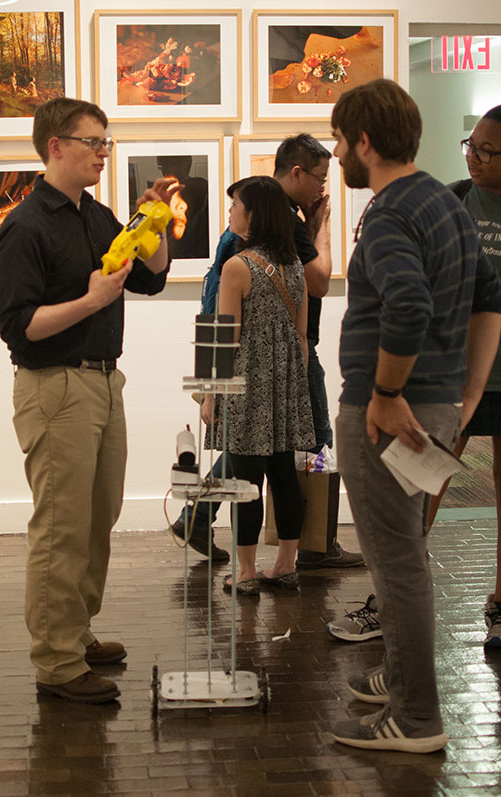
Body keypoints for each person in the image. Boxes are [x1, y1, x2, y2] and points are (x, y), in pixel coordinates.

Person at [328, 78, 501, 753]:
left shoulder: (392, 211)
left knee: (395, 562)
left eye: (340, 138)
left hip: (388, 412)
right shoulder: (443, 200)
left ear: (365, 142)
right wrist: (467, 395)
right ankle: (402, 679)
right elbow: (491, 297)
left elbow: (407, 304)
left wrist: (384, 391)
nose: (336, 150)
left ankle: (416, 717)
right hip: (430, 402)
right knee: (407, 556)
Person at [0, 98, 180, 704]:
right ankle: (56, 661)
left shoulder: (96, 216)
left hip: (104, 381)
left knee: (99, 515)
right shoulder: (26, 227)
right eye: (93, 142)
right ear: (56, 146)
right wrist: (92, 302)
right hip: (56, 387)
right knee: (60, 526)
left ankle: (76, 631)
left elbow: (149, 276)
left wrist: (153, 218)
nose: (104, 152)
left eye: (106, 142)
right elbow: (20, 327)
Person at [171, 134, 364, 569]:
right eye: (319, 176)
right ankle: (308, 548)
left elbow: (219, 324)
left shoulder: (250, 245)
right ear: (296, 173)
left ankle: (238, 546)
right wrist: (323, 228)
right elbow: (318, 284)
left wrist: (211, 386)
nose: (322, 187)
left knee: (253, 462)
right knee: (297, 454)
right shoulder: (283, 232)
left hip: (249, 371)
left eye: (233, 209)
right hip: (279, 369)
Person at [200, 176, 315, 594]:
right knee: (284, 476)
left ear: (253, 214)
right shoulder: (295, 266)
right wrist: (293, 387)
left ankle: (246, 570)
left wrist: (211, 392)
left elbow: (223, 336)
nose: (230, 212)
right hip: (284, 386)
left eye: (235, 206)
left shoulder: (237, 266)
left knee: (245, 480)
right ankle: (286, 563)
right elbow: (301, 337)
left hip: (246, 388)